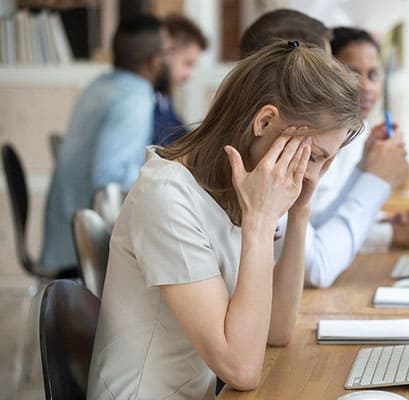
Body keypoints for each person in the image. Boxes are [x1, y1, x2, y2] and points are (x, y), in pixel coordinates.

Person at [87, 40, 363, 399]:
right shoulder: (168, 196)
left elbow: (276, 331)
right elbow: (241, 368)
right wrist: (261, 223)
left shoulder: (241, 189)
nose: (313, 176)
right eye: (314, 158)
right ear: (265, 121)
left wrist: (299, 212)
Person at [241, 12, 409, 288]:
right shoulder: (264, 167)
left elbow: (316, 227)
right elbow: (318, 267)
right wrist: (375, 181)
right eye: (332, 73)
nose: (347, 88)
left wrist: (364, 171)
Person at [40, 15, 170, 269]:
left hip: (64, 236)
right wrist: (167, 174)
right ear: (155, 61)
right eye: (167, 52)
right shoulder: (133, 99)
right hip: (84, 250)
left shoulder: (99, 85)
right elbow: (108, 180)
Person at [153, 14, 208, 146]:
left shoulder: (163, 99)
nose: (189, 75)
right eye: (187, 64)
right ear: (167, 51)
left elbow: (181, 135)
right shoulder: (146, 102)